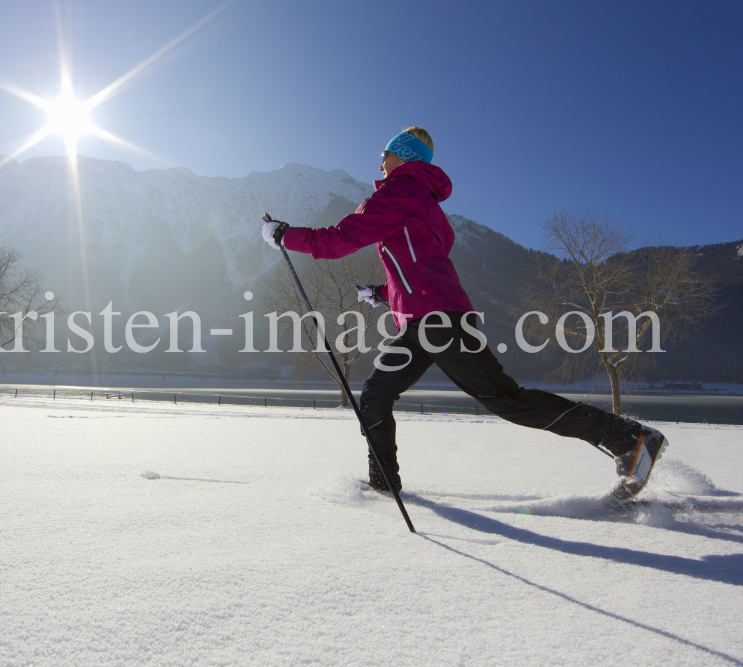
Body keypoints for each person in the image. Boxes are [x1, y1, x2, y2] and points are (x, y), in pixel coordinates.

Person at [261, 127, 666, 500]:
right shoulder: (427, 205)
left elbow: (343, 239)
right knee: (375, 395)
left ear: (401, 157)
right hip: (422, 321)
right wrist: (383, 293)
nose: (378, 163)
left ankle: (629, 441)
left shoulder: (399, 191)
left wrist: (286, 234)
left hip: (437, 321)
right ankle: (383, 485)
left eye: (383, 154)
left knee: (509, 400)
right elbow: (422, 267)